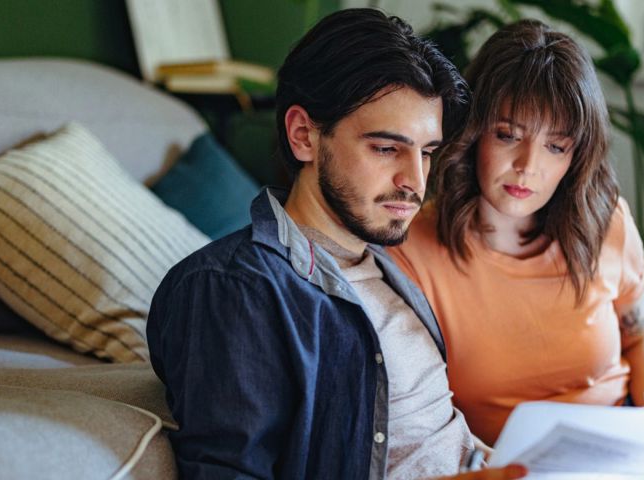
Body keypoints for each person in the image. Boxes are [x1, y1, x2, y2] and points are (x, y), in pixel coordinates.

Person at [147, 8, 527, 480]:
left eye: (426, 152)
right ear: (303, 135)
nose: (415, 180)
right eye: (386, 148)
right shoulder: (233, 289)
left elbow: (431, 436)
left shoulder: (383, 264)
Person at [388, 19, 644, 446]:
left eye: (555, 146)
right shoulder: (412, 248)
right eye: (508, 135)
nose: (528, 165)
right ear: (473, 132)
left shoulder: (606, 222)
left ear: (576, 155)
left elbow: (642, 334)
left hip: (622, 454)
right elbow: (418, 418)